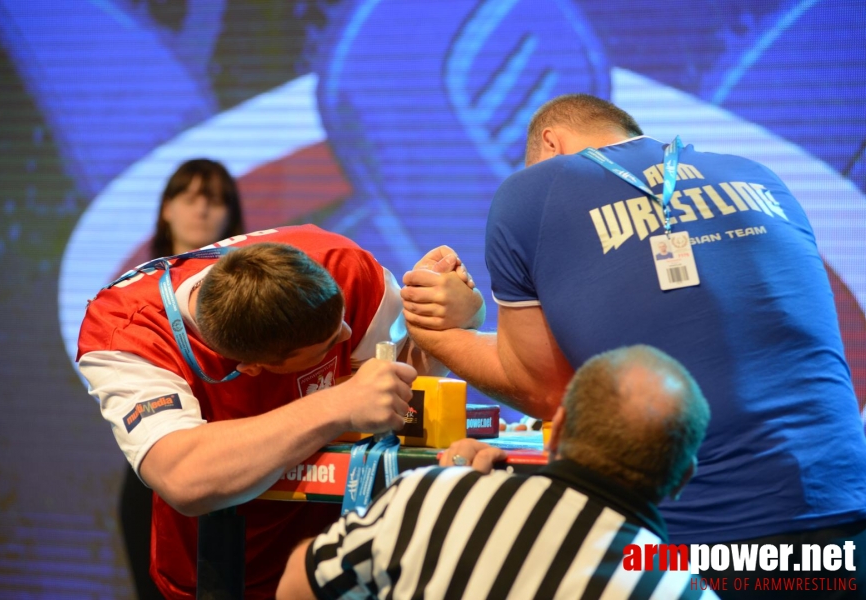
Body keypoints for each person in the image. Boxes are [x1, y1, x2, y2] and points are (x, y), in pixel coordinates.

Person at [400, 95, 866, 586]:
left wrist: (440, 329)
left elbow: (544, 390)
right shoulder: (756, 175)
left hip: (696, 542)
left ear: (550, 143)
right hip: (847, 519)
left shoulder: (534, 188)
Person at [77, 224, 485, 599]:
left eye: (341, 321)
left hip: (332, 561)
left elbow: (390, 389)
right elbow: (184, 475)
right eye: (327, 348)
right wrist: (337, 404)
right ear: (253, 369)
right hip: (217, 572)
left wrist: (451, 323)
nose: (345, 335)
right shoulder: (125, 334)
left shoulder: (341, 265)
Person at [276, 345, 717, 600]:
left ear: (557, 428)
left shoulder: (430, 496)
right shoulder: (680, 588)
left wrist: (446, 488)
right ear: (682, 477)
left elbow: (297, 586)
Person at [120, 158, 246, 600]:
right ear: (166, 209)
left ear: (231, 214)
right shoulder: (128, 300)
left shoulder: (256, 289)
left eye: (214, 201)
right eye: (189, 197)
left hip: (236, 468)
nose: (202, 210)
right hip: (154, 478)